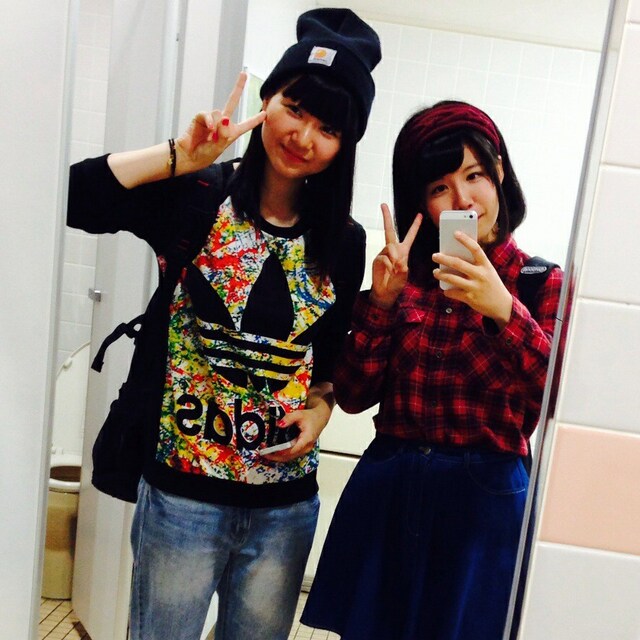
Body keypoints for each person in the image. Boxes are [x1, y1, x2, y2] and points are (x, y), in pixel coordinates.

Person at [67, 8, 381, 640]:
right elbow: (73, 197)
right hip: (182, 494)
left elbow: (325, 365)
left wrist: (322, 410)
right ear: (267, 100)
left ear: (345, 145)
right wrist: (179, 156)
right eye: (295, 107)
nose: (303, 136)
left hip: (284, 505)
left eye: (328, 128)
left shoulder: (344, 241)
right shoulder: (199, 193)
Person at [301, 101, 563, 639]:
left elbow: (554, 400)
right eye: (440, 187)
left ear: (500, 174)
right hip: (390, 486)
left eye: (475, 176)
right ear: (419, 201)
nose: (463, 199)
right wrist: (380, 303)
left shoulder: (539, 282)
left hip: (484, 500)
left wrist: (504, 310)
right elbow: (352, 394)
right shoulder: (405, 280)